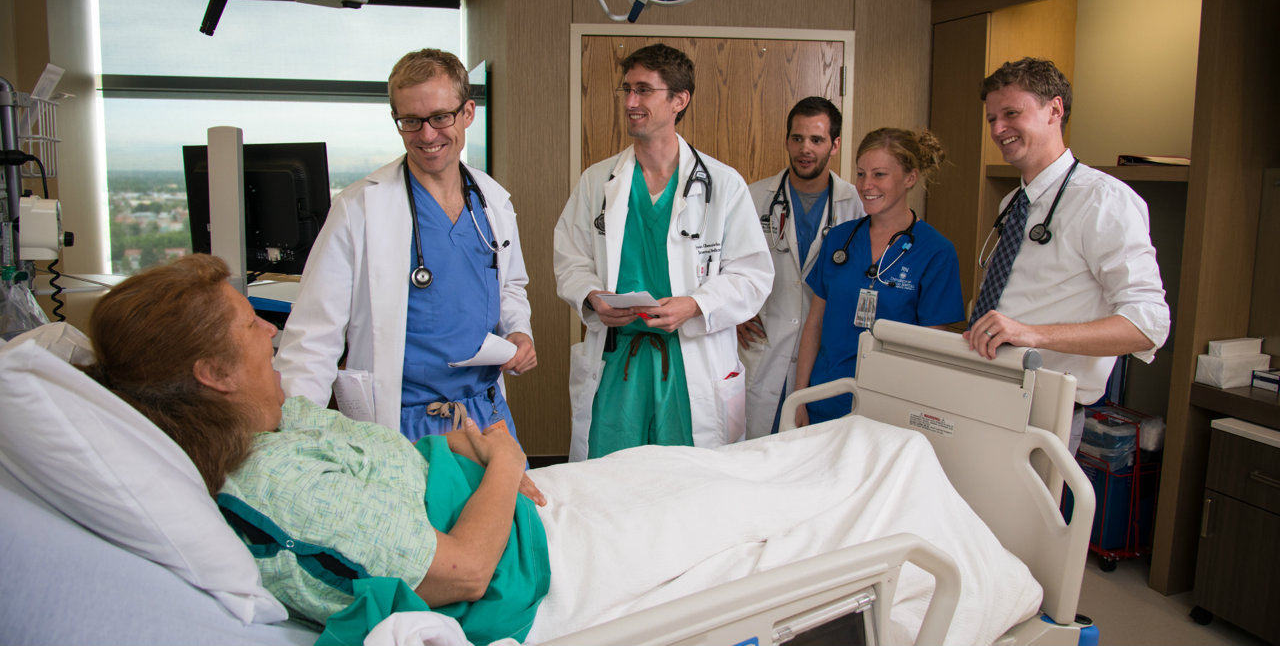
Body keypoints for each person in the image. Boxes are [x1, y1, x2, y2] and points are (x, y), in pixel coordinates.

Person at [79, 254, 1036, 646]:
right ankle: (959, 536)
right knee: (779, 489)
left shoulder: (271, 424)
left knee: (726, 467)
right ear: (207, 373)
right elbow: (454, 571)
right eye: (250, 324)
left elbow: (403, 496)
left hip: (527, 506)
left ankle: (899, 468)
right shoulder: (272, 477)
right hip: (542, 561)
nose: (267, 333)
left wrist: (465, 461)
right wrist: (499, 464)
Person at [274, 48, 536, 442]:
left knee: (515, 505)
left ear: (467, 113)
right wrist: (293, 440)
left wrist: (519, 332)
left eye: (440, 117)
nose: (427, 135)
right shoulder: (359, 208)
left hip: (488, 415)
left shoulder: (492, 201)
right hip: (403, 426)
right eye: (410, 121)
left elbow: (510, 285)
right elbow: (313, 338)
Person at [553, 43, 773, 460]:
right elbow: (571, 257)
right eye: (627, 90)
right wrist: (591, 296)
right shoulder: (597, 181)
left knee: (689, 488)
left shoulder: (723, 185)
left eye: (644, 90)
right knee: (609, 483)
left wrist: (694, 304)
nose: (631, 102)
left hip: (692, 360)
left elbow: (753, 275)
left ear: (679, 100)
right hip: (619, 363)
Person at [965, 57, 1170, 453]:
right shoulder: (1014, 201)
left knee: (1019, 517)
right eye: (992, 119)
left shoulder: (1103, 201)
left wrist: (1032, 335)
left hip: (1042, 407)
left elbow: (1148, 325)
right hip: (989, 390)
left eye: (1011, 114)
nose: (998, 129)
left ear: (1054, 110)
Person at [792, 128, 964, 427]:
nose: (866, 185)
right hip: (824, 397)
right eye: (860, 174)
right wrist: (799, 396)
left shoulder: (936, 252)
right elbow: (814, 324)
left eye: (880, 174)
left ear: (910, 177)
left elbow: (932, 351)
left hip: (890, 410)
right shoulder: (840, 240)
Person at [736, 97, 864, 438]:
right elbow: (721, 266)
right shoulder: (753, 197)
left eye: (817, 140)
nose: (804, 149)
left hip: (824, 359)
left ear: (835, 145)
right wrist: (732, 310)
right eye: (797, 138)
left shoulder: (857, 205)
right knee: (751, 460)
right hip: (763, 351)